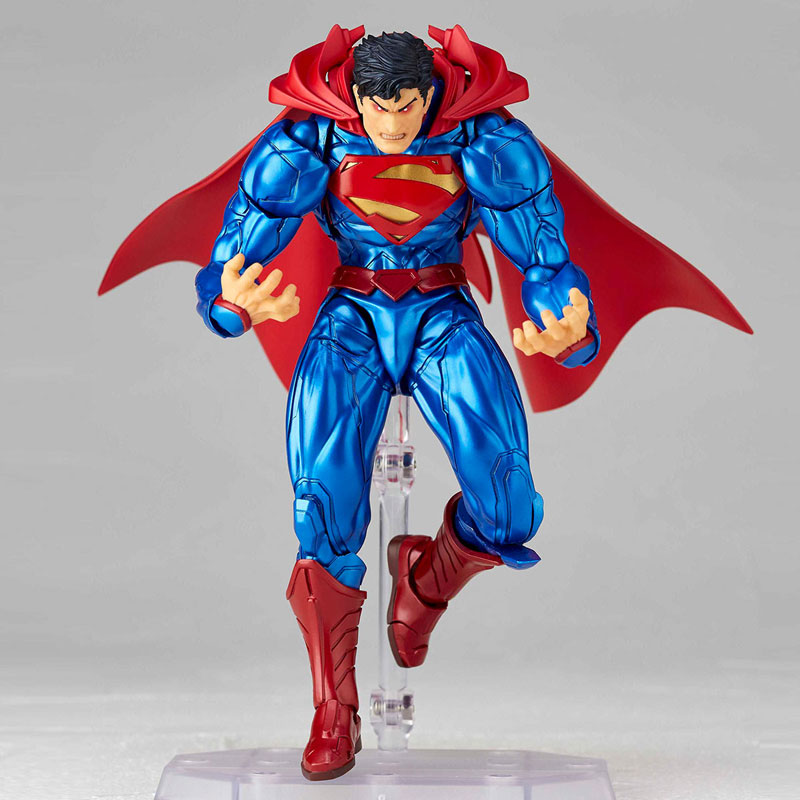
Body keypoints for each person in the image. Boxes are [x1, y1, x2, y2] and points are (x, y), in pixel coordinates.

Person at [193, 28, 598, 780]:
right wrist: (230, 301)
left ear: (428, 94)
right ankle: (333, 708)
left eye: (405, 107)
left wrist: (567, 324)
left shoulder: (485, 139)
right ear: (354, 96)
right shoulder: (310, 141)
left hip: (443, 311)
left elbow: (545, 258)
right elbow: (234, 252)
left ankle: (424, 582)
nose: (389, 125)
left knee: (510, 507)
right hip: (351, 316)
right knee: (321, 510)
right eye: (375, 109)